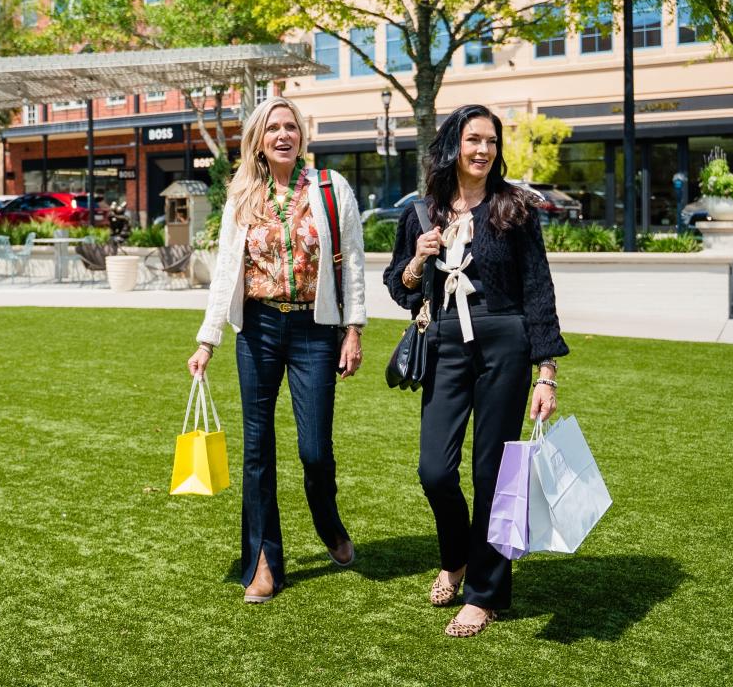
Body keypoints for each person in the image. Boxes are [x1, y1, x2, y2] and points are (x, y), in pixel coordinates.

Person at [384, 104, 568, 637]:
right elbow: (399, 288)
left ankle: (484, 593)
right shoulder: (421, 212)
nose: (483, 150)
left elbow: (538, 291)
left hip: (504, 341)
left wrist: (546, 372)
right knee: (435, 470)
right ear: (452, 147)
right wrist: (418, 260)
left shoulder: (515, 208)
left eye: (491, 140)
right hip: (443, 342)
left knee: (493, 474)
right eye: (472, 140)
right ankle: (456, 556)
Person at [188, 96, 367, 604]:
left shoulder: (331, 189)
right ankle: (264, 562)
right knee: (257, 450)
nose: (284, 135)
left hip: (314, 329)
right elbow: (226, 270)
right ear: (259, 142)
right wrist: (208, 340)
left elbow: (352, 261)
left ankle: (327, 521)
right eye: (273, 129)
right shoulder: (243, 195)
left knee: (314, 450)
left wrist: (353, 329)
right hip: (259, 330)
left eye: (291, 127)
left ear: (301, 135)